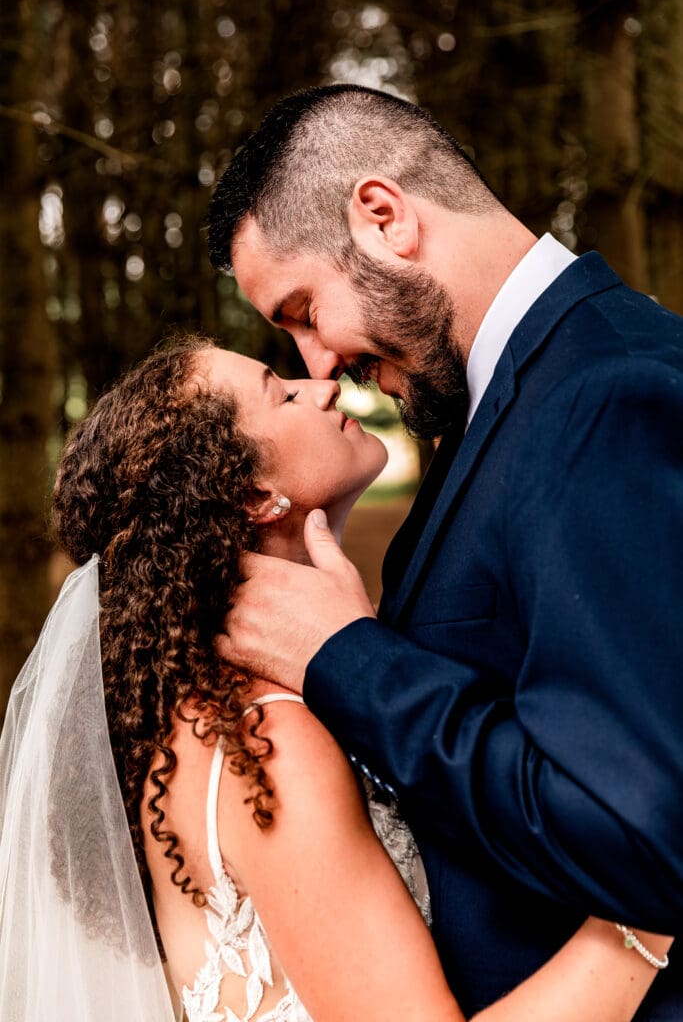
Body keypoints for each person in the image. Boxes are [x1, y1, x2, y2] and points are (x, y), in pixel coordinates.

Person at [0, 336, 673, 1022]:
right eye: (283, 393)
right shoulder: (266, 744)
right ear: (256, 493)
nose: (320, 385)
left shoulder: (198, 719)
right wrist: (642, 910)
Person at [206, 84, 683, 1019]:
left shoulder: (604, 397)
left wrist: (349, 658)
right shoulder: (512, 402)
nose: (316, 364)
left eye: (304, 309)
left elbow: (643, 834)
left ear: (383, 218)